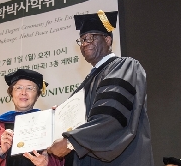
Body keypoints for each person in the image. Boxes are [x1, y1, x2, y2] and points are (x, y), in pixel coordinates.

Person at [47, 10, 154, 165]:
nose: (85, 43)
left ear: (108, 40)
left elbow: (111, 115)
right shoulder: (85, 84)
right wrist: (59, 117)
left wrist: (72, 142)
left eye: (91, 37)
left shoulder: (124, 66)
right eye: (82, 40)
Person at [0, 69, 63, 166]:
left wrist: (48, 163)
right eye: (18, 87)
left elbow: (65, 159)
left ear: (37, 95)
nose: (23, 92)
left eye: (30, 88)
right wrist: (0, 151)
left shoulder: (49, 124)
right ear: (11, 92)